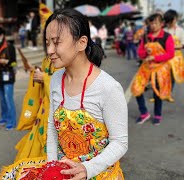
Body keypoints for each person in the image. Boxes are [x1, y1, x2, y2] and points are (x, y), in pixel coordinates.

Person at [46, 9, 128, 179]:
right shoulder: (55, 79)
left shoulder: (109, 88)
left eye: (56, 42)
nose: (50, 50)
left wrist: (87, 169)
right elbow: (52, 127)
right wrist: (51, 167)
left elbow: (120, 143)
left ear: (81, 43)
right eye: (47, 43)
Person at [131, 13, 175, 125]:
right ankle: (144, 113)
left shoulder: (167, 37)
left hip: (160, 68)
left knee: (157, 93)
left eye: (156, 23)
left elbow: (170, 54)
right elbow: (140, 53)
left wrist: (155, 57)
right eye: (151, 23)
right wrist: (145, 51)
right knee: (136, 88)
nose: (153, 25)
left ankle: (157, 115)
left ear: (162, 24)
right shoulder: (146, 37)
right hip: (146, 67)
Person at [163, 9, 184, 103]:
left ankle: (168, 94)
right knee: (163, 76)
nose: (170, 23)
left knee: (172, 77)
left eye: (171, 20)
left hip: (175, 58)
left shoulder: (180, 31)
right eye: (168, 21)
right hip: (164, 56)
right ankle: (161, 93)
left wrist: (172, 47)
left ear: (175, 19)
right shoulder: (164, 30)